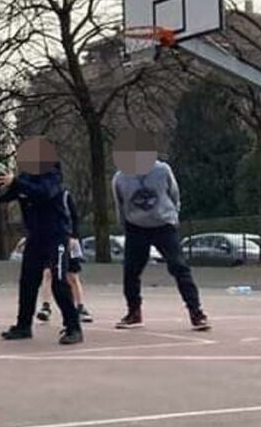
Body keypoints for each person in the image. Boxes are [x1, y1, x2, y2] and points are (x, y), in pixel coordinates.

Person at [111, 132, 208, 331]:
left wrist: (173, 216)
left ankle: (196, 311)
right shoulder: (120, 178)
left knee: (179, 267)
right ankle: (134, 312)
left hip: (163, 226)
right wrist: (125, 225)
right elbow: (120, 204)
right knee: (131, 272)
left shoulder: (162, 170)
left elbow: (174, 193)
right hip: (136, 228)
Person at [0, 138, 83, 345]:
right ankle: (23, 326)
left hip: (56, 237)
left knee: (59, 281)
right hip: (35, 237)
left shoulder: (52, 176)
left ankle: (74, 328)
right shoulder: (25, 177)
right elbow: (7, 195)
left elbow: (44, 192)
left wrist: (15, 182)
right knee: (28, 281)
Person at [36, 187, 93, 324]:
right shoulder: (39, 195)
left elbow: (74, 217)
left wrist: (74, 236)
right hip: (49, 240)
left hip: (67, 238)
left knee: (72, 275)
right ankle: (46, 307)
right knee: (48, 273)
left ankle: (80, 307)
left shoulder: (64, 195)